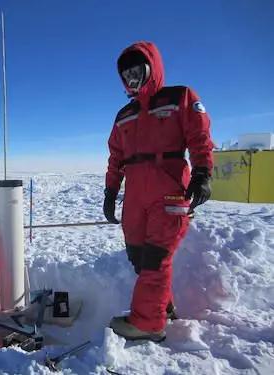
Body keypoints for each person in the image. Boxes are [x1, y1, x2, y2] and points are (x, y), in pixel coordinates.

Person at [104, 41, 214, 341]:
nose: (132, 78)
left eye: (137, 70)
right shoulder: (123, 115)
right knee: (139, 257)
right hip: (135, 197)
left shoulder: (180, 97)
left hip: (170, 192)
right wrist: (111, 191)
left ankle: (147, 323)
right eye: (126, 74)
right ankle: (161, 307)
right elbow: (116, 157)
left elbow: (200, 135)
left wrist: (203, 172)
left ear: (152, 69)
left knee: (156, 257)